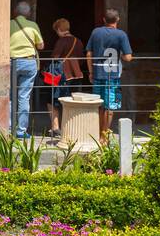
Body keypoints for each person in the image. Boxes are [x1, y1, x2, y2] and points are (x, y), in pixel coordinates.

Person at [85, 8, 133, 138]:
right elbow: (128, 57)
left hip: (97, 72)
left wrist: (90, 72)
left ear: (104, 20)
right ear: (117, 20)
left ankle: (98, 133)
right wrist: (122, 56)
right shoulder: (121, 34)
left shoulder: (96, 32)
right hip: (113, 74)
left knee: (99, 105)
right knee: (110, 106)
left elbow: (89, 53)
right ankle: (104, 136)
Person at [8, 1, 44, 138]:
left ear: (14, 12)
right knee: (24, 97)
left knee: (10, 96)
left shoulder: (9, 24)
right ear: (28, 13)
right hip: (29, 62)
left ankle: (9, 128)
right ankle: (21, 131)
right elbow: (40, 46)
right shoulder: (33, 25)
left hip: (11, 61)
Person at [47, 18, 85, 137]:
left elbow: (55, 57)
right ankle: (72, 126)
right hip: (76, 75)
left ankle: (55, 127)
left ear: (59, 29)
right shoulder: (78, 41)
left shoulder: (61, 41)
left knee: (53, 101)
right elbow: (82, 59)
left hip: (62, 75)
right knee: (72, 101)